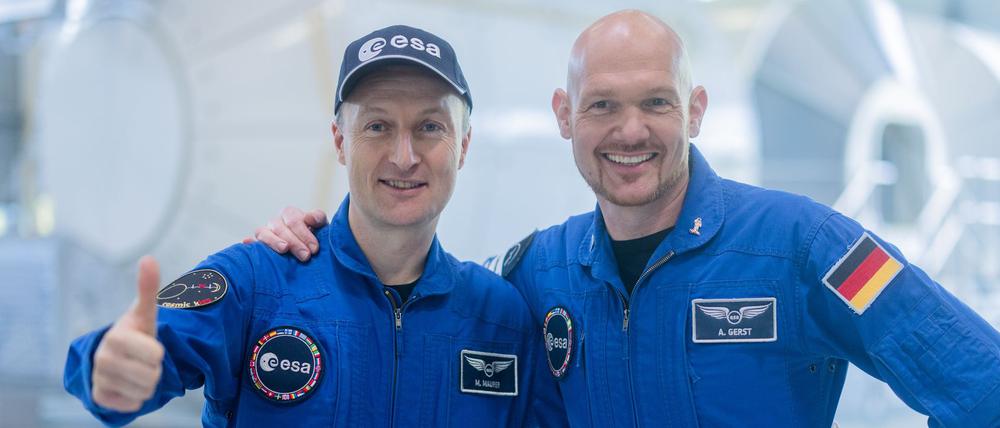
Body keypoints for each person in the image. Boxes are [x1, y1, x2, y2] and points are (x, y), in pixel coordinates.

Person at [257, 10, 1000, 428]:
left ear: (696, 111)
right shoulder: (533, 273)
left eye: (656, 102)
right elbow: (416, 301)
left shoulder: (808, 247)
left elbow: (979, 379)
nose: (630, 132)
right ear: (564, 116)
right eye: (603, 105)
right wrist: (306, 251)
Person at [63, 25, 566, 427]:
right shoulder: (254, 280)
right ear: (340, 141)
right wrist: (106, 369)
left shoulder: (501, 319)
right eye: (377, 126)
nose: (404, 155)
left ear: (464, 146)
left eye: (430, 127)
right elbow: (138, 354)